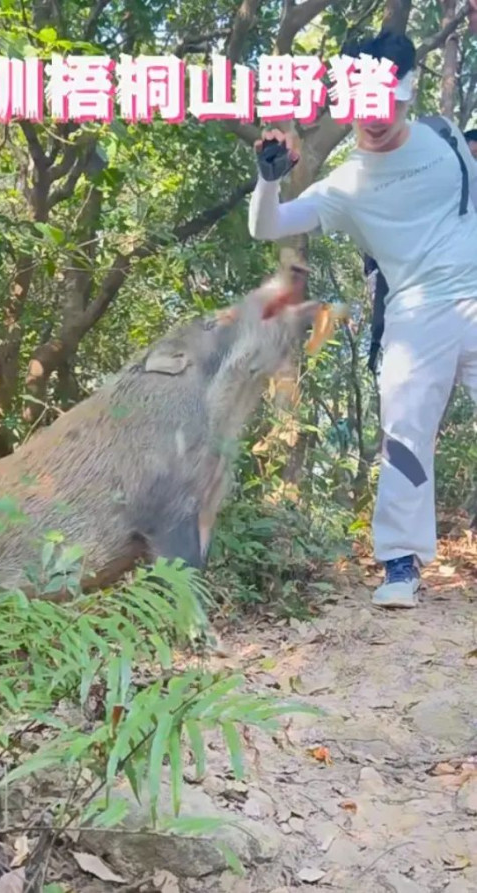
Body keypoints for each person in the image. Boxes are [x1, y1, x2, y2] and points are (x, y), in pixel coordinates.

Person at [248, 29, 477, 609]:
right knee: (404, 435)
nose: (374, 118)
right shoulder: (345, 185)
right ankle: (401, 563)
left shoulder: (446, 135)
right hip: (415, 314)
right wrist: (268, 180)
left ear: (408, 93)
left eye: (387, 103)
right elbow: (267, 226)